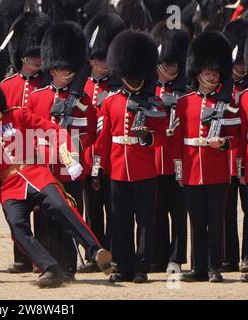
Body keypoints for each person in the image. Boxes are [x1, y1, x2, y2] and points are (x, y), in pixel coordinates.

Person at [0, 58, 112, 288]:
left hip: (36, 173)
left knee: (63, 208)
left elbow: (54, 131)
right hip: (10, 186)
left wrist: (69, 158)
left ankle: (96, 250)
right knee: (17, 227)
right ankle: (50, 268)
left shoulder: (18, 116)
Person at [25, 21, 97, 281]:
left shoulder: (83, 100)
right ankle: (47, 266)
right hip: (43, 169)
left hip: (70, 169)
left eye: (66, 67)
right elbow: (27, 133)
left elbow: (90, 134)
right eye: (57, 68)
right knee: (44, 219)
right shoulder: (37, 97)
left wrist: (71, 147)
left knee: (68, 216)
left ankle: (67, 267)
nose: (61, 72)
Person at [96, 30, 166, 283]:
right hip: (117, 170)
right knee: (119, 221)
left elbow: (161, 137)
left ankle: (141, 268)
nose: (134, 81)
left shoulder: (154, 103)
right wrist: (97, 168)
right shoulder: (110, 102)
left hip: (145, 170)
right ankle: (122, 266)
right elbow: (102, 140)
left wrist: (147, 137)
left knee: (145, 222)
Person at [174, 31, 239, 283]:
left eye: (215, 72)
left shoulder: (228, 103)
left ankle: (214, 267)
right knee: (197, 221)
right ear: (198, 72)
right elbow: (177, 140)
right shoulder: (185, 102)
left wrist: (223, 144)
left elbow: (234, 135)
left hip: (216, 169)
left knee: (216, 221)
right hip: (192, 169)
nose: (212, 75)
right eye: (207, 71)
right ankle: (198, 267)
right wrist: (179, 171)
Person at [0, 11, 52, 274]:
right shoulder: (6, 86)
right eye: (31, 54)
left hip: (39, 156)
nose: (36, 59)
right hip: (14, 158)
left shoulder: (48, 87)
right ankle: (21, 257)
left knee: (43, 210)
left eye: (39, 54)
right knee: (16, 210)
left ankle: (40, 258)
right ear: (20, 54)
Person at [80, 12, 125, 273]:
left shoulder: (120, 86)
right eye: (99, 58)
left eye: (107, 57)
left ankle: (116, 255)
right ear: (90, 59)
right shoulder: (82, 86)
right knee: (93, 211)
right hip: (89, 157)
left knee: (115, 211)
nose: (103, 63)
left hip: (114, 158)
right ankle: (95, 255)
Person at [150, 21, 190, 274]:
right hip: (154, 159)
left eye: (175, 64)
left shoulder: (186, 93)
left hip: (177, 160)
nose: (173, 68)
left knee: (178, 211)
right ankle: (156, 256)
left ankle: (177, 256)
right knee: (155, 210)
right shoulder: (148, 91)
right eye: (168, 63)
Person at [221, 19, 248, 273]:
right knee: (225, 209)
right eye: (236, 61)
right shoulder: (222, 87)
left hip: (245, 156)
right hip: (224, 154)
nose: (240, 67)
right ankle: (228, 257)